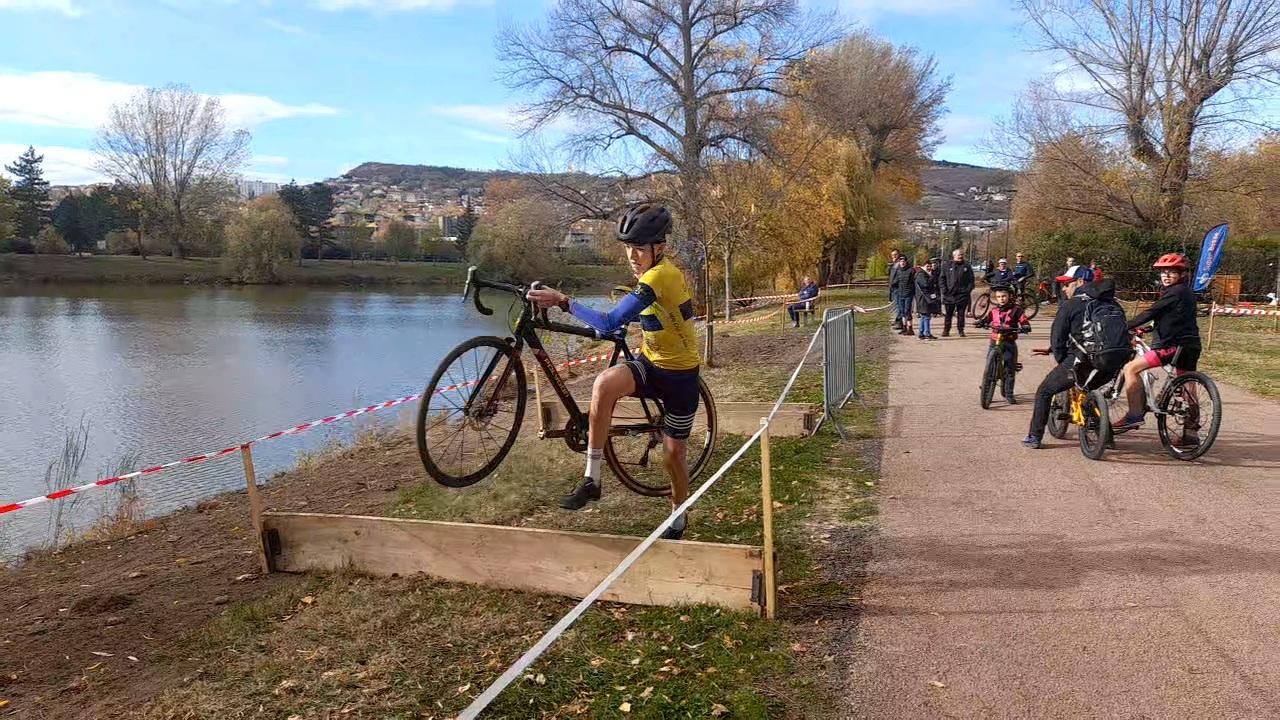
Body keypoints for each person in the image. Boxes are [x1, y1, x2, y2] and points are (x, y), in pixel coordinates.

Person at [526, 203, 699, 539]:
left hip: (680, 377)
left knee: (673, 455)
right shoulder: (651, 276)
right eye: (627, 249)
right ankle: (592, 480)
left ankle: (678, 514)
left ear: (659, 248)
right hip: (651, 364)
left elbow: (608, 321)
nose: (632, 256)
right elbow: (660, 314)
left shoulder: (661, 275)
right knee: (604, 384)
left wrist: (564, 301)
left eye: (638, 249)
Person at [1111, 253, 1201, 444]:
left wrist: (1124, 326)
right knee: (1188, 385)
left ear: (1181, 274)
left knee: (1130, 368)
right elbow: (1173, 319)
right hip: (1191, 345)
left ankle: (1134, 415)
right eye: (1163, 272)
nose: (1166, 276)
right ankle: (1191, 434)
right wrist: (1148, 328)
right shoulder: (1187, 293)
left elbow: (1151, 312)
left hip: (1171, 346)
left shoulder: (1173, 292)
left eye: (1172, 272)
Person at [1022, 265, 1098, 448]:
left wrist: (1061, 359)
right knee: (1092, 391)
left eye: (1067, 284)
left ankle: (1034, 437)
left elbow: (1058, 338)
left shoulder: (1070, 305)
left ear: (1080, 283)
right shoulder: (1106, 302)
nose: (1064, 289)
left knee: (1044, 391)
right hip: (1107, 361)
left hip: (1079, 359)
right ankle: (1106, 436)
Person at [986, 283, 1031, 403]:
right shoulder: (994, 310)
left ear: (1010, 296)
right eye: (999, 297)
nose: (1001, 299)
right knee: (989, 365)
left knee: (1009, 369)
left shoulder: (1016, 310)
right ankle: (987, 384)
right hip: (995, 340)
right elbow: (987, 319)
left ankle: (1009, 393)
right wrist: (981, 322)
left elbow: (1023, 320)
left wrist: (1025, 326)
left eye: (1004, 296)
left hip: (1009, 341)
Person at [940, 248, 975, 337]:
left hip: (962, 295)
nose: (961, 256)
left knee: (961, 314)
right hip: (949, 294)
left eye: (962, 255)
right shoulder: (947, 265)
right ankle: (946, 330)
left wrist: (968, 290)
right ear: (954, 256)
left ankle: (961, 330)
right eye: (959, 255)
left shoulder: (967, 266)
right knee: (948, 314)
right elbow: (942, 278)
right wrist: (944, 290)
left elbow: (971, 280)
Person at [914, 258, 941, 340]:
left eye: (930, 266)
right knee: (926, 316)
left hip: (925, 298)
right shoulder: (921, 274)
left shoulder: (924, 274)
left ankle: (921, 333)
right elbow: (926, 285)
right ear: (923, 266)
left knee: (924, 316)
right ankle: (927, 333)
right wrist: (931, 277)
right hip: (923, 299)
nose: (929, 268)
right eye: (927, 266)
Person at [892, 255, 915, 336]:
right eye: (901, 262)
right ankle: (904, 328)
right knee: (902, 312)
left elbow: (914, 282)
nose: (902, 263)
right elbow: (895, 281)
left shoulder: (911, 271)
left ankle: (910, 329)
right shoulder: (898, 271)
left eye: (903, 261)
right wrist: (893, 285)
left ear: (906, 262)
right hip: (900, 294)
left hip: (908, 294)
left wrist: (913, 293)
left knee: (907, 311)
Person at [887, 249, 904, 330]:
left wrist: (894, 283)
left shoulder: (900, 264)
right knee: (895, 305)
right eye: (892, 255)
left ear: (899, 255)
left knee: (899, 306)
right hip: (893, 288)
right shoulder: (893, 265)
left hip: (898, 288)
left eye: (895, 254)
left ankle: (899, 322)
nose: (894, 256)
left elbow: (900, 277)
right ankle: (896, 320)